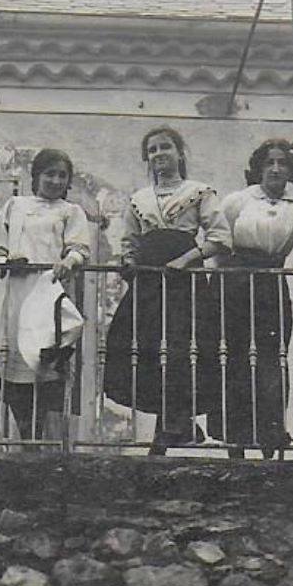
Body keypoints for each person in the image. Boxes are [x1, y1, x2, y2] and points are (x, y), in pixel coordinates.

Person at [102, 126, 232, 455]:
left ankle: (175, 425)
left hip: (183, 281)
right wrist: (129, 262)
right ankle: (173, 425)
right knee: (146, 348)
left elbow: (219, 237)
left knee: (179, 347)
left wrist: (185, 260)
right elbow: (128, 240)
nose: (159, 154)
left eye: (166, 147)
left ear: (180, 153)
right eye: (153, 150)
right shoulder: (139, 199)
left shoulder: (198, 192)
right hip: (149, 281)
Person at [217, 139, 293, 458]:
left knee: (273, 357)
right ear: (257, 168)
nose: (275, 169)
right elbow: (219, 243)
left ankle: (271, 434)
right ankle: (237, 440)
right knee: (236, 357)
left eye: (283, 163)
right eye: (269, 162)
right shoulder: (238, 200)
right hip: (236, 279)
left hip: (272, 280)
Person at [0, 149, 95, 444]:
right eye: (49, 173)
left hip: (48, 292)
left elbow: (80, 248)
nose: (55, 180)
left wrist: (69, 261)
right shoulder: (16, 205)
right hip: (13, 292)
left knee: (45, 366)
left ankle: (40, 438)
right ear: (36, 176)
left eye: (62, 175)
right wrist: (6, 263)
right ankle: (24, 434)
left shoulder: (70, 211)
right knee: (13, 366)